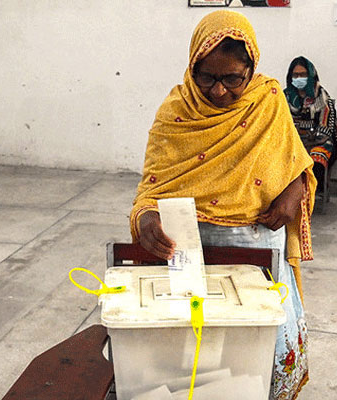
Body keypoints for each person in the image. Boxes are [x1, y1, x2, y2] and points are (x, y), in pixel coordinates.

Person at [130, 11, 314, 399]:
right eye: (207, 77)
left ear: (251, 69)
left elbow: (296, 162)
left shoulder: (267, 101)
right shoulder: (176, 112)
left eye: (232, 78)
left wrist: (292, 194)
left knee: (257, 354)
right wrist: (146, 219)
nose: (218, 91)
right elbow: (151, 188)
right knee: (199, 364)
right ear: (192, 65)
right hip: (191, 252)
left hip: (259, 246)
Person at [284, 56, 337, 193]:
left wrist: (308, 141)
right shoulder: (284, 96)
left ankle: (310, 191)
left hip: (318, 140)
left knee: (317, 155)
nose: (298, 78)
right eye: (295, 75)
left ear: (310, 76)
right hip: (291, 140)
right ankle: (285, 192)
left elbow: (327, 128)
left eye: (303, 75)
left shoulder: (321, 95)